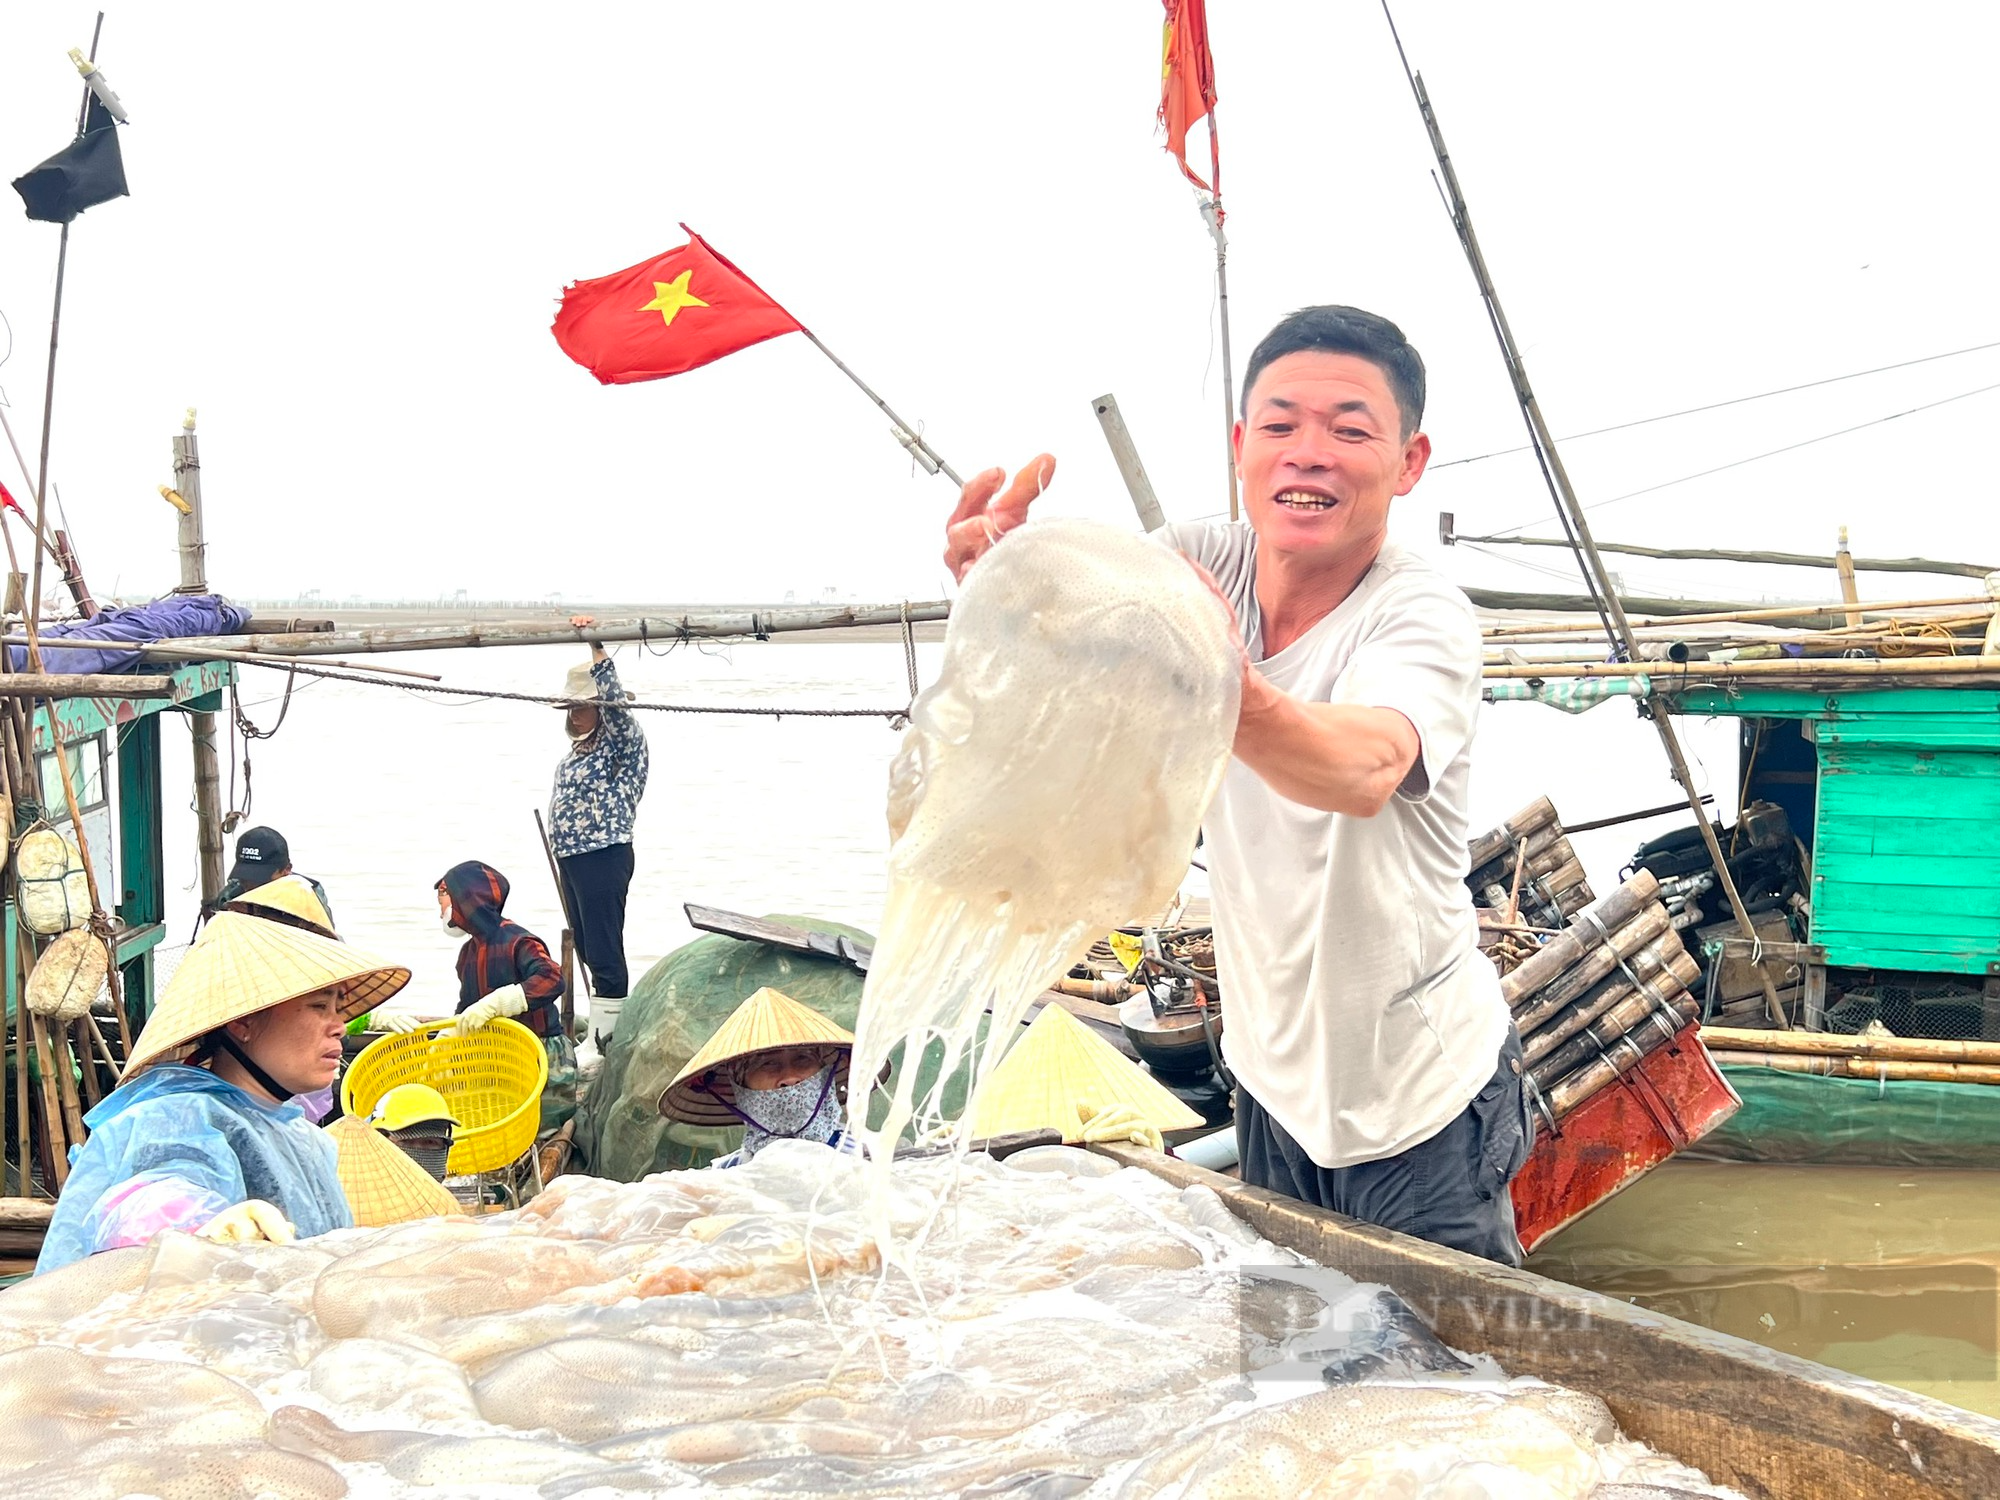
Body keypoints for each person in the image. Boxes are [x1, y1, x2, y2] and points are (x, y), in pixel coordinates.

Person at [941, 306, 1530, 1265]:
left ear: (1409, 462)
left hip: (1420, 1094)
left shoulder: (1419, 610)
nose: (1311, 454)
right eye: (1282, 425)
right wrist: (1002, 585)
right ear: (1240, 447)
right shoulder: (1200, 563)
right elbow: (1067, 649)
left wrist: (1227, 682)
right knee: (1287, 1377)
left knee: (1441, 1393)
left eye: (1350, 429)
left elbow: (1364, 767)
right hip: (1269, 1075)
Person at [37, 911, 410, 1273]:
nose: (340, 1027)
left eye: (337, 1008)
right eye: (318, 1006)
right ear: (243, 1022)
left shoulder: (309, 1142)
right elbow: (147, 1199)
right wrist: (201, 1226)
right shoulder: (177, 1118)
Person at [548, 626, 649, 1017]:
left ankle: (606, 1034)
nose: (575, 714)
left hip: (602, 854)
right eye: (572, 707)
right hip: (571, 857)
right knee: (587, 948)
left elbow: (616, 703)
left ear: (601, 707)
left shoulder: (622, 742)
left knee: (605, 949)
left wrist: (595, 644)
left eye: (582, 706)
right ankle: (600, 1023)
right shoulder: (576, 753)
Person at [435, 860, 577, 1136]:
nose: (440, 908)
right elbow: (466, 1007)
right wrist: (447, 1037)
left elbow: (552, 978)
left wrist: (500, 1002)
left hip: (540, 1054)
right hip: (500, 1058)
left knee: (541, 1130)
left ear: (467, 900)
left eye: (443, 895)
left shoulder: (518, 941)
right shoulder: (468, 954)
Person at [659, 987, 862, 1167]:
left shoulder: (868, 1164)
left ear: (825, 1074)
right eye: (768, 1064)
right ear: (740, 1087)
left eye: (803, 1059)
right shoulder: (725, 1178)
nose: (790, 1078)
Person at [213, 825, 335, 927]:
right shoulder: (230, 897)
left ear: (286, 870)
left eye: (260, 879)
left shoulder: (309, 899)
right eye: (245, 877)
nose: (250, 886)